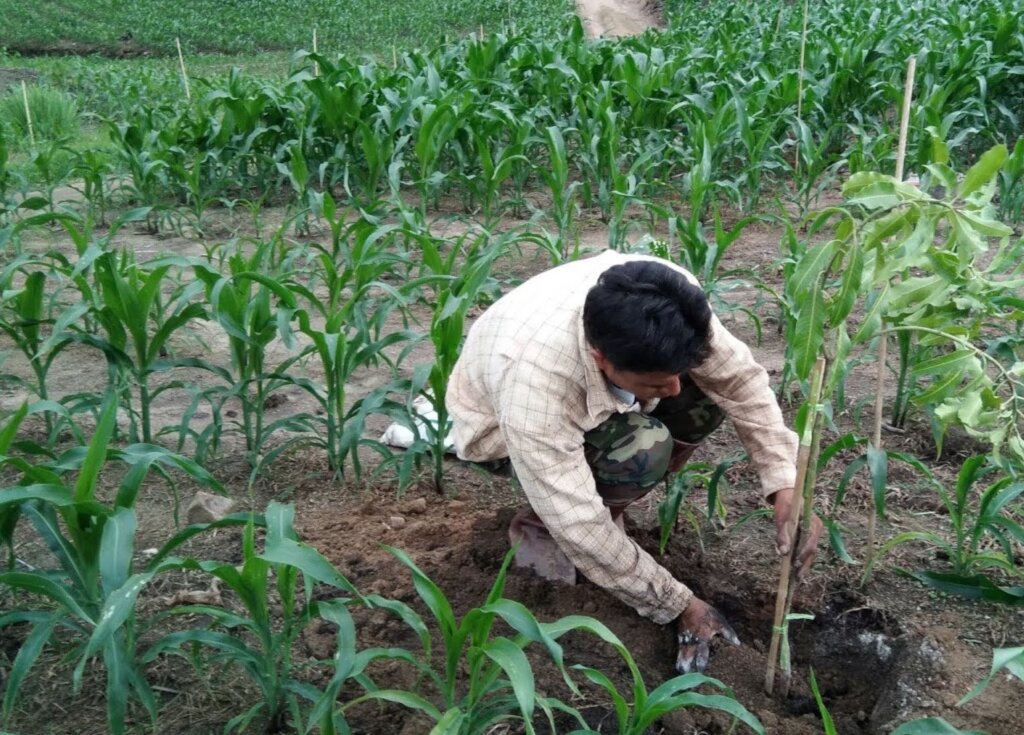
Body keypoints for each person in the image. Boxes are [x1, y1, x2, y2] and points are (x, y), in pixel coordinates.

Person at [446, 250, 822, 674]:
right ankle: (539, 527)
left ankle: (614, 501)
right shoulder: (537, 389)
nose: (674, 389)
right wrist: (679, 603)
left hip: (575, 379)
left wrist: (785, 482)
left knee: (703, 397)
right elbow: (579, 524)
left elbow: (740, 381)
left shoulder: (672, 301)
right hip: (500, 429)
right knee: (641, 448)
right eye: (657, 383)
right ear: (601, 359)